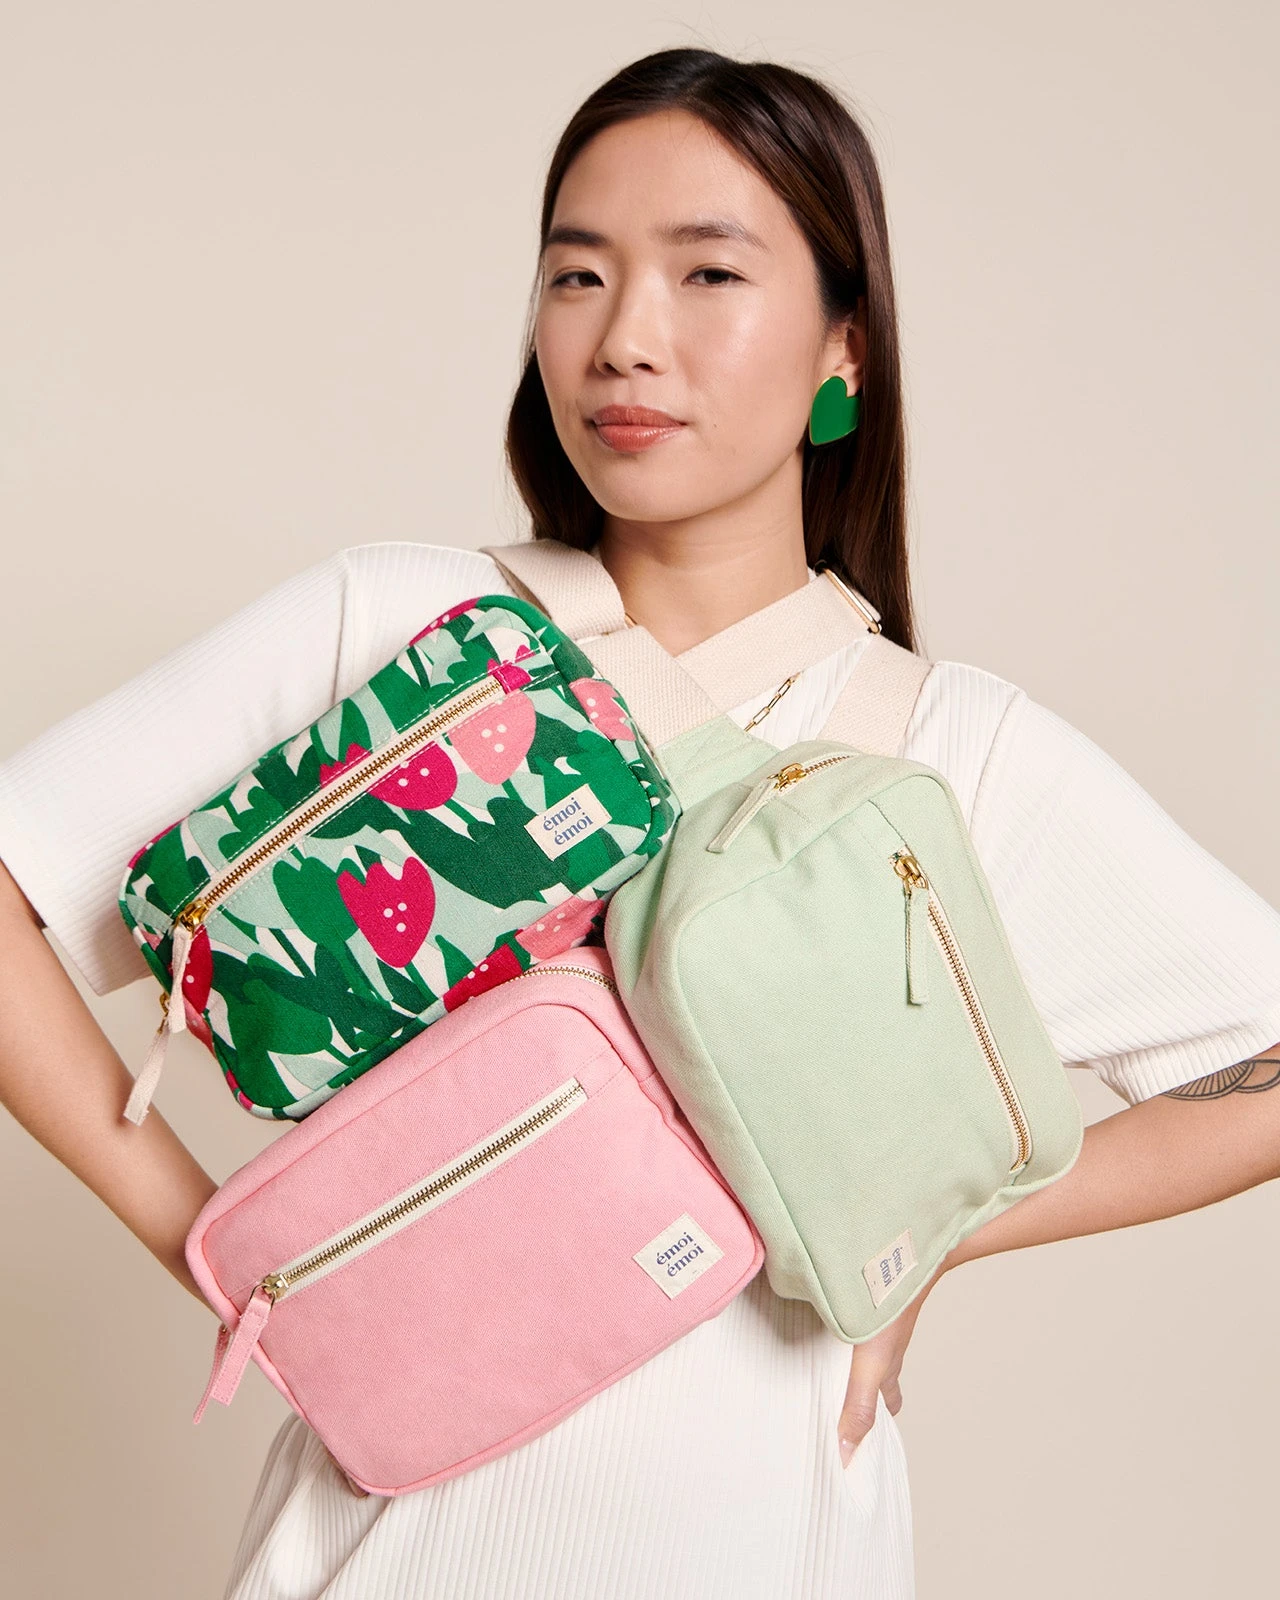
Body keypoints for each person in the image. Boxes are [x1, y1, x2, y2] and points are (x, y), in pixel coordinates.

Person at [3, 45, 1280, 1600]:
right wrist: (223, 1248)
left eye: (709, 273)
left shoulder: (947, 756)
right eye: (578, 275)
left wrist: (931, 1227)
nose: (626, 338)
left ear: (846, 348)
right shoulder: (407, 633)